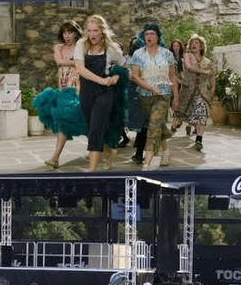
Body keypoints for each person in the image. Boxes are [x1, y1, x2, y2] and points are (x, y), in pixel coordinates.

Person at [73, 14, 127, 172]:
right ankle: (108, 149)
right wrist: (101, 80)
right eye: (89, 30)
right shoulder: (81, 44)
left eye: (95, 30)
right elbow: (80, 69)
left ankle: (92, 172)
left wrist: (116, 76)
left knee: (96, 129)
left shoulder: (112, 48)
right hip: (86, 92)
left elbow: (124, 66)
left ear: (102, 31)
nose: (92, 34)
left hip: (105, 93)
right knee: (92, 129)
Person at [127, 22, 178, 169]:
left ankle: (147, 163)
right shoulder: (138, 54)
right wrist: (150, 88)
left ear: (158, 37)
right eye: (147, 34)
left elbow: (172, 77)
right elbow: (136, 77)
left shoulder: (167, 54)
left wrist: (176, 97)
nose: (149, 37)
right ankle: (166, 151)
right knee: (158, 124)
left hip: (163, 94)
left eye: (152, 34)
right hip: (144, 95)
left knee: (154, 125)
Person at [37, 19, 83, 169]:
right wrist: (76, 62)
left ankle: (104, 146)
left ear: (76, 33)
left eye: (70, 32)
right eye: (64, 32)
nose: (67, 35)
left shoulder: (82, 47)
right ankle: (55, 158)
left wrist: (73, 62)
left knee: (87, 119)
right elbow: (58, 62)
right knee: (63, 120)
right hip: (64, 89)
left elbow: (82, 64)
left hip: (79, 88)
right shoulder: (58, 47)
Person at [171, 34, 215, 154]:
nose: (194, 45)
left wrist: (212, 90)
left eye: (197, 43)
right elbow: (189, 67)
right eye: (192, 43)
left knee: (201, 113)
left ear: (201, 46)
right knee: (190, 114)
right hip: (188, 91)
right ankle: (190, 126)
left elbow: (212, 77)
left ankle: (199, 139)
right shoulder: (187, 56)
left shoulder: (208, 61)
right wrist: (204, 71)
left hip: (203, 92)